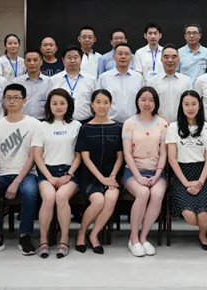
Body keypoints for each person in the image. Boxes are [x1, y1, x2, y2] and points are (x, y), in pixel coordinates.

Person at [0, 83, 41, 258]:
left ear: (24, 101)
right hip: (1, 174)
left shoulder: (34, 124)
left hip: (26, 174)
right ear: (3, 100)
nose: (12, 101)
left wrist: (17, 182)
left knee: (30, 192)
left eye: (16, 98)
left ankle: (25, 236)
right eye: (8, 98)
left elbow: (33, 157)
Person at [165, 90, 207, 250]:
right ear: (181, 106)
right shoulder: (173, 127)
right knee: (189, 216)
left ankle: (202, 234)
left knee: (203, 214)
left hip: (203, 174)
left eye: (194, 104)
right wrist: (186, 182)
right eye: (186, 104)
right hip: (181, 175)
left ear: (199, 106)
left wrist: (200, 182)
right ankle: (206, 228)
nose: (190, 108)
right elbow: (172, 159)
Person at [33, 89, 82, 259]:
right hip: (47, 172)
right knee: (48, 197)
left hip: (70, 172)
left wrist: (69, 174)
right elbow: (37, 156)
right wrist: (49, 177)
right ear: (49, 106)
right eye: (54, 103)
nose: (58, 107)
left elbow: (79, 156)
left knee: (61, 196)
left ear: (69, 105)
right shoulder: (41, 126)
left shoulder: (76, 126)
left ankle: (64, 240)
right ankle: (43, 240)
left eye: (62, 103)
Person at [74, 89, 124, 254]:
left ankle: (94, 235)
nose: (102, 106)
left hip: (112, 176)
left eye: (105, 102)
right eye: (98, 102)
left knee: (111, 198)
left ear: (110, 105)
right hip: (90, 177)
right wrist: (102, 179)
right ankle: (82, 232)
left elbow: (120, 157)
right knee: (98, 201)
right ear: (92, 105)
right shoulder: (85, 128)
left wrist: (112, 177)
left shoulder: (118, 127)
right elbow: (85, 158)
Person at [122, 87, 168, 257]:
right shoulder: (129, 123)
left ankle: (143, 237)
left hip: (156, 171)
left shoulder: (162, 124)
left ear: (156, 103)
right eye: (143, 99)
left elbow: (163, 153)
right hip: (134, 171)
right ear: (137, 102)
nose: (147, 103)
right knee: (142, 193)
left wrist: (157, 174)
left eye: (151, 100)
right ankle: (133, 238)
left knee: (157, 194)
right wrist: (138, 177)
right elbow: (127, 154)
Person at [96, 43, 144, 123]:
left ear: (131, 58)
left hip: (134, 123)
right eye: (120, 54)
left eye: (126, 54)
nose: (123, 57)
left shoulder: (139, 78)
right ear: (114, 57)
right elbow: (97, 100)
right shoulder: (104, 78)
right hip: (110, 123)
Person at [50, 45, 97, 122]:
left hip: (86, 121)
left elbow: (95, 101)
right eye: (69, 58)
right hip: (62, 121)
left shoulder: (91, 79)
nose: (72, 61)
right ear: (63, 60)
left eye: (76, 57)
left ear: (81, 59)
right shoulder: (54, 80)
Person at [147, 45, 192, 123]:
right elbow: (149, 105)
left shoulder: (186, 81)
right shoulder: (152, 82)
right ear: (161, 59)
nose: (170, 60)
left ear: (178, 60)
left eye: (174, 57)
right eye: (166, 57)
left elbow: (191, 103)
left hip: (181, 124)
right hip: (158, 124)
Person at [13, 49, 52, 120]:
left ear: (41, 62)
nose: (32, 63)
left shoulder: (49, 81)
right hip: (22, 120)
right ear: (24, 63)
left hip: (43, 121)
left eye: (35, 60)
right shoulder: (16, 82)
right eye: (28, 60)